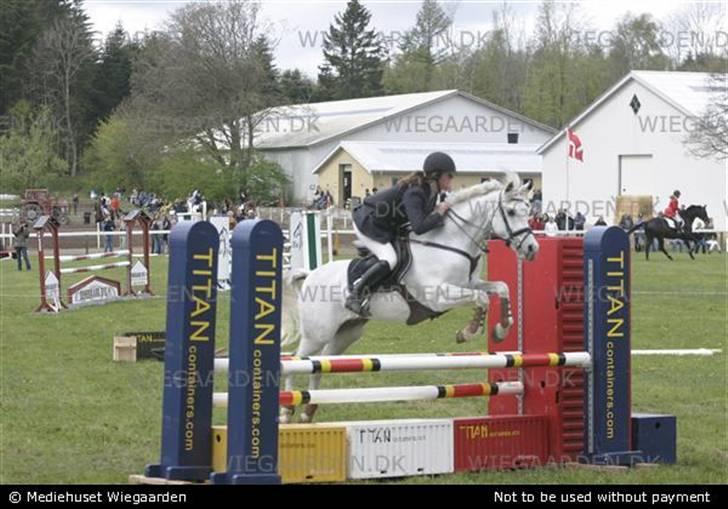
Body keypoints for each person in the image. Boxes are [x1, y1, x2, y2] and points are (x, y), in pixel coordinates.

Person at [346, 152, 455, 316]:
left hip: (387, 225)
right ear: (437, 175)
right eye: (449, 176)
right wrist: (439, 214)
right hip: (368, 222)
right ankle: (355, 295)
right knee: (390, 259)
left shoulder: (431, 192)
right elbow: (419, 227)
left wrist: (439, 215)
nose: (451, 179)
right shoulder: (416, 192)